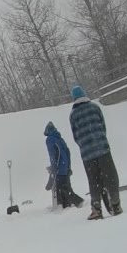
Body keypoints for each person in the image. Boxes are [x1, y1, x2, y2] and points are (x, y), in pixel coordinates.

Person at [68, 85, 121, 219]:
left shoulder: (73, 115)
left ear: (74, 98)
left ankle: (96, 210)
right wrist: (100, 140)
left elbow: (75, 136)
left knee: (94, 181)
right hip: (103, 149)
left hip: (87, 155)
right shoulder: (95, 107)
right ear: (84, 94)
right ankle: (116, 204)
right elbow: (103, 126)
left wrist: (85, 145)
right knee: (111, 177)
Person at [44, 121, 84, 209]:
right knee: (65, 188)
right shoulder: (60, 139)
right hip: (65, 167)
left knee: (62, 189)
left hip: (59, 168)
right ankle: (67, 206)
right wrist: (68, 167)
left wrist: (54, 167)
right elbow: (67, 152)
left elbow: (53, 155)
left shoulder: (50, 139)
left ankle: (75, 203)